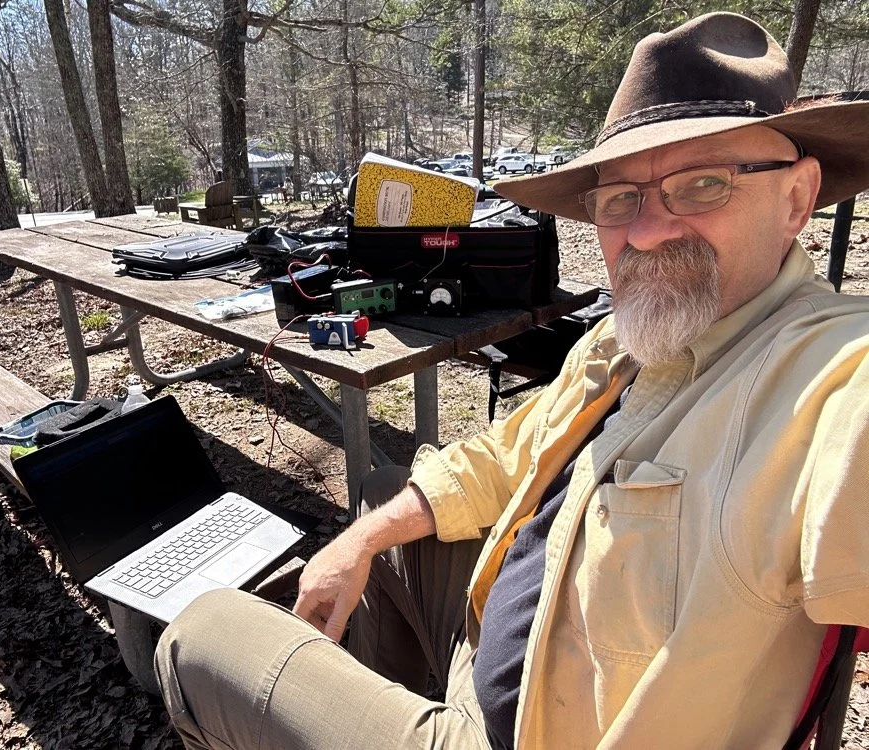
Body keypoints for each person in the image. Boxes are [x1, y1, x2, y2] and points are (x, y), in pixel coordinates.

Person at [154, 13, 869, 749]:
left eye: (704, 184)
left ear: (797, 197)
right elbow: (507, 452)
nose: (648, 230)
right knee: (381, 497)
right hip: (495, 660)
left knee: (198, 636)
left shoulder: (830, 376)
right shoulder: (628, 341)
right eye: (621, 198)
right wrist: (357, 541)